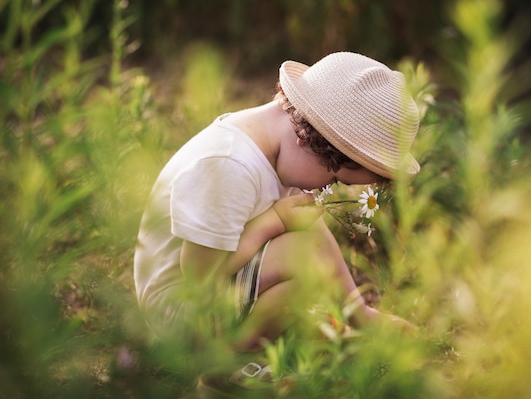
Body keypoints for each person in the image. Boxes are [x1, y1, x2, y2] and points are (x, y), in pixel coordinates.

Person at [133, 51, 422, 395]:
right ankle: (225, 367)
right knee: (298, 276)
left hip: (218, 298)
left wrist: (358, 312)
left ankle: (275, 343)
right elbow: (197, 273)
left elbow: (312, 237)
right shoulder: (228, 165)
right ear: (310, 141)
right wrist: (273, 221)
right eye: (335, 178)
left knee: (304, 270)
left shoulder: (270, 145)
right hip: (181, 315)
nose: (325, 190)